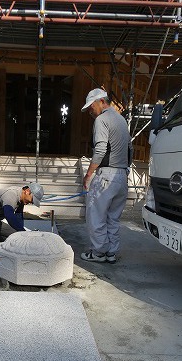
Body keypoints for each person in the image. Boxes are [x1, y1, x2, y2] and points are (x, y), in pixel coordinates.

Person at [80, 87, 133, 264]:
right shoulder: (121, 120)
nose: (90, 111)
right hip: (122, 175)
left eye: (91, 107)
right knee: (113, 217)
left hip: (106, 175)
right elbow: (130, 149)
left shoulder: (102, 120)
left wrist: (88, 174)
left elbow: (101, 148)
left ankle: (99, 252)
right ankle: (112, 252)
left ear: (101, 101)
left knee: (96, 215)